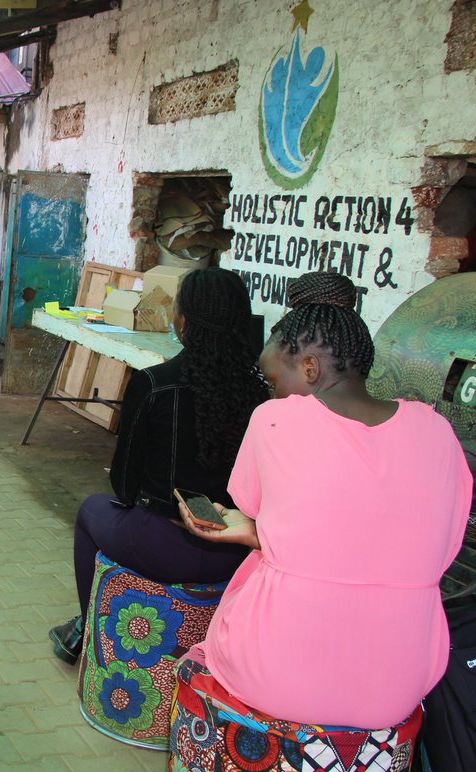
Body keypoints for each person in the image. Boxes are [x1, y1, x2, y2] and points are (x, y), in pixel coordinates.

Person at [178, 271, 471, 729]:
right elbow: (434, 545)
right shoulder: (435, 429)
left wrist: (258, 534)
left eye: (272, 378)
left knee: (250, 588)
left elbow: (256, 506)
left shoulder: (277, 419)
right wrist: (266, 536)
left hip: (274, 677)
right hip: (400, 685)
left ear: (310, 369)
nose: (270, 390)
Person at [50, 267, 270, 663]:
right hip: (237, 552)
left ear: (181, 321)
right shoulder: (263, 397)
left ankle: (86, 628)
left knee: (90, 511)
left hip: (160, 544)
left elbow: (124, 483)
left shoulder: (153, 382)